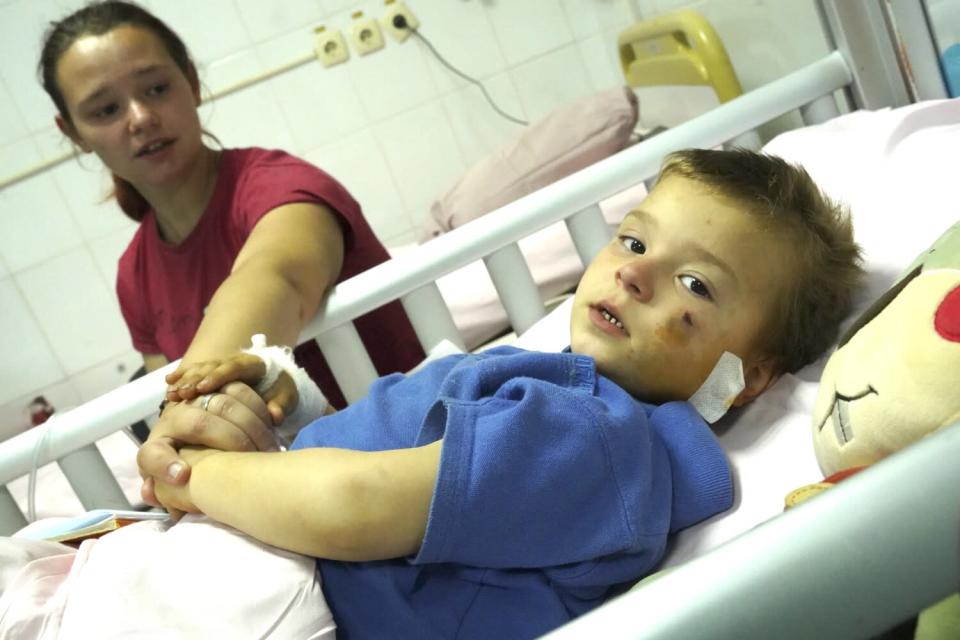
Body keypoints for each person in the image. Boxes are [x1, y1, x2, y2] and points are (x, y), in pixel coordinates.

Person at [1, 148, 864, 639]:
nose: (636, 274)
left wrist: (183, 480)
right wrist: (271, 402)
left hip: (292, 602)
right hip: (249, 559)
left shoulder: (602, 442)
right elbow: (366, 444)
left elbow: (351, 502)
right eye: (634, 239)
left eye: (696, 286)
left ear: (745, 377)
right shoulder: (535, 380)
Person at [37, 0, 425, 413]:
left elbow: (278, 278)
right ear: (74, 133)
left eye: (157, 88)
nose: (141, 117)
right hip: (291, 467)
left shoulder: (279, 188)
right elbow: (169, 395)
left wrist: (185, 421)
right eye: (106, 110)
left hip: (419, 432)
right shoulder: (135, 277)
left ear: (192, 82)